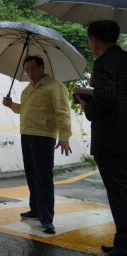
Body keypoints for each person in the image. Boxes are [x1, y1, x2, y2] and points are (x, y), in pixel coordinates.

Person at [2, 55, 72, 234]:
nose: (30, 73)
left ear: (42, 67)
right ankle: (35, 210)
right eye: (26, 70)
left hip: (43, 136)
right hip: (27, 134)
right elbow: (23, 109)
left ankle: (47, 218)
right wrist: (11, 105)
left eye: (33, 69)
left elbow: (63, 113)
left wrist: (64, 137)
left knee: (43, 177)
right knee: (32, 175)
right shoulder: (28, 89)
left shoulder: (55, 87)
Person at [76, 20, 127, 255]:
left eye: (89, 40)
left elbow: (106, 99)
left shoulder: (104, 63)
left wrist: (87, 104)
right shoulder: (124, 60)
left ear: (94, 39)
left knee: (119, 194)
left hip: (112, 140)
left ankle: (123, 246)